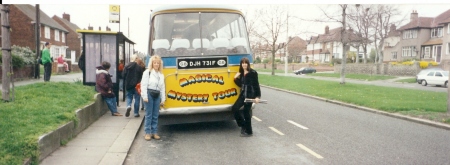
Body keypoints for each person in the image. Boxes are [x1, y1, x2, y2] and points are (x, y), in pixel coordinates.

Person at [231, 57, 261, 137]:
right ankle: (243, 125)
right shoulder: (241, 73)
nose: (244, 64)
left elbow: (256, 85)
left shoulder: (253, 73)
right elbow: (241, 84)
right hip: (243, 95)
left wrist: (257, 97)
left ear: (248, 64)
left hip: (250, 95)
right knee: (234, 108)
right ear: (241, 64)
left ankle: (249, 131)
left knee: (246, 112)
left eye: (245, 63)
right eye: (242, 63)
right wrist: (235, 78)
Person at [141, 55, 165, 141]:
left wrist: (163, 99)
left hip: (157, 94)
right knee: (149, 115)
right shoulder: (147, 72)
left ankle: (154, 132)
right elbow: (143, 85)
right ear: (152, 63)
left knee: (155, 115)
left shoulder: (161, 74)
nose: (156, 64)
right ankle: (147, 133)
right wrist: (145, 96)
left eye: (158, 63)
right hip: (149, 93)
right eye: (155, 63)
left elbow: (162, 87)